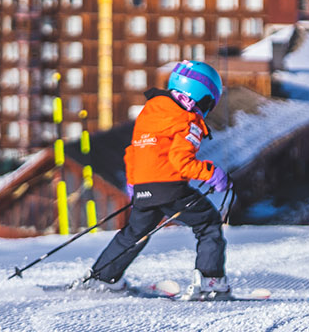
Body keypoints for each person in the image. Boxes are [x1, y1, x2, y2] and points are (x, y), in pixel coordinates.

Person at [75, 60, 235, 300]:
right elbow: (181, 161)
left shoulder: (150, 114)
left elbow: (134, 151)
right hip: (170, 186)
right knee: (208, 224)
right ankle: (211, 281)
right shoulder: (187, 119)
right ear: (202, 96)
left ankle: (103, 278)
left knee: (134, 233)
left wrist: (134, 184)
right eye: (209, 101)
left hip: (142, 186)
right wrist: (212, 174)